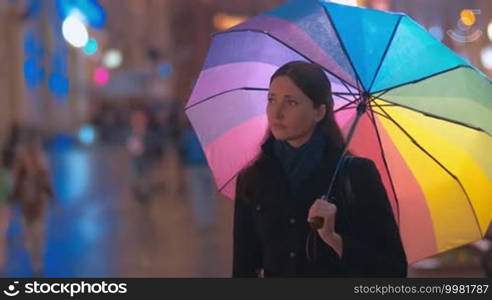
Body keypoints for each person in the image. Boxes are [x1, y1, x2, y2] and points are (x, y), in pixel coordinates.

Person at [232, 61, 407, 277]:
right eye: (271, 100)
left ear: (319, 112)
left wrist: (335, 240)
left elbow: (394, 269)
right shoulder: (253, 178)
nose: (276, 113)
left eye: (291, 103)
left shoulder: (356, 175)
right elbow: (243, 267)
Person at [12, 129, 55, 276]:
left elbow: (47, 185)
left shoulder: (41, 167)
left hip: (38, 206)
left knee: (38, 233)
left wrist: (53, 199)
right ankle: (35, 258)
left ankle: (37, 262)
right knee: (30, 235)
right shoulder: (22, 169)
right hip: (27, 207)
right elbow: (16, 186)